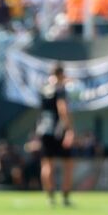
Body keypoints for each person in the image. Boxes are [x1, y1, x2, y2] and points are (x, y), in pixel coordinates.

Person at [37, 64, 75, 207]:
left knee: (47, 164)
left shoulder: (44, 88)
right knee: (68, 164)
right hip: (58, 130)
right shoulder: (60, 89)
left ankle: (50, 197)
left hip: (43, 129)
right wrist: (69, 130)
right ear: (61, 74)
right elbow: (62, 109)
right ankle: (65, 196)